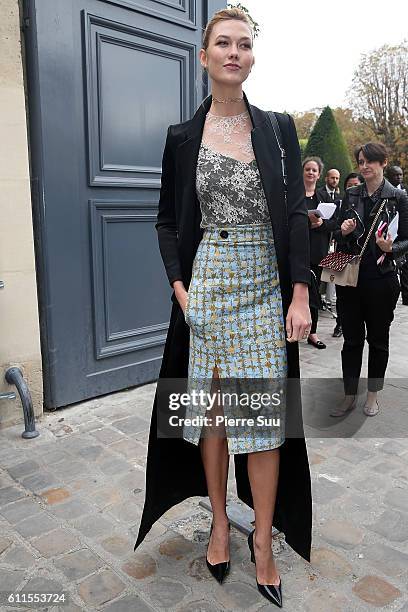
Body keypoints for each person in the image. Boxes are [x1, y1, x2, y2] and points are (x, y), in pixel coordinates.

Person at [134, 8, 313, 608]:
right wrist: (180, 287)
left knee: (262, 421)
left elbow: (292, 214)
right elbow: (165, 220)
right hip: (209, 283)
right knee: (212, 413)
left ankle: (261, 538)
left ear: (252, 57)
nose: (234, 52)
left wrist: (301, 291)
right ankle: (218, 520)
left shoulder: (278, 128)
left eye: (244, 44)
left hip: (264, 283)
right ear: (205, 54)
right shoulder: (182, 138)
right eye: (223, 43)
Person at [331, 143, 408, 417]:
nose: (364, 167)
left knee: (378, 340)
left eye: (370, 161)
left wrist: (392, 249)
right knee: (351, 341)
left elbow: (406, 240)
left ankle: (373, 395)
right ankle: (349, 394)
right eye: (361, 161)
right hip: (351, 279)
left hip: (382, 279)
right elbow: (338, 236)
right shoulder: (351, 194)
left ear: (383, 162)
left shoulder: (398, 198)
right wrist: (342, 230)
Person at [303, 157, 338, 349]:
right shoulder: (294, 195)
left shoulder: (325, 198)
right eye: (307, 169)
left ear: (319, 174)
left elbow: (334, 225)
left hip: (317, 251)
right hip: (297, 251)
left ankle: (313, 333)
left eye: (314, 170)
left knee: (314, 294)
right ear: (303, 172)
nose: (310, 173)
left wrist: (322, 223)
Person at [332, 172, 364, 338]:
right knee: (341, 296)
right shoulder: (340, 204)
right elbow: (334, 232)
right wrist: (344, 232)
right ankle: (340, 324)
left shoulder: (366, 205)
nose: (352, 188)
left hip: (360, 258)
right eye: (349, 185)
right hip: (342, 254)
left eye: (356, 185)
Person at [388, 166, 408, 304]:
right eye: (395, 175)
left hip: (403, 231)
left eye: (400, 175)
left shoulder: (405, 190)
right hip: (389, 232)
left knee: (406, 265)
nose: (399, 177)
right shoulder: (385, 191)